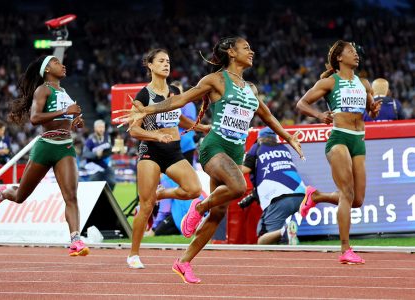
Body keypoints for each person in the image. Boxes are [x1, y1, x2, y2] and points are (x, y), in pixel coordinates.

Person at [115, 37, 303, 283]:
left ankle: (183, 263)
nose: (252, 51)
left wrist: (288, 137)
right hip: (214, 147)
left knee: (218, 214)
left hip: (235, 151)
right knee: (238, 187)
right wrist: (147, 110)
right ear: (231, 52)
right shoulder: (215, 80)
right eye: (246, 48)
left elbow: (267, 115)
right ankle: (197, 207)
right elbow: (181, 101)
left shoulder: (251, 88)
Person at [0, 55, 89, 256]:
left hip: (65, 146)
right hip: (45, 146)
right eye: (57, 62)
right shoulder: (43, 90)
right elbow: (34, 118)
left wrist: (75, 122)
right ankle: (4, 193)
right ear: (47, 69)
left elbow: (68, 118)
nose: (63, 65)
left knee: (71, 196)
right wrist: (65, 111)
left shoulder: (65, 92)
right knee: (20, 196)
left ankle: (75, 240)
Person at [296, 40, 381, 264]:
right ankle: (345, 250)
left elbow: (370, 112)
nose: (356, 55)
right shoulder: (330, 82)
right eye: (351, 52)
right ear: (339, 58)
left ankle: (316, 196)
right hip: (339, 138)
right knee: (346, 192)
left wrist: (373, 109)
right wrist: (319, 116)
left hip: (358, 141)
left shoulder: (364, 84)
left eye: (356, 52)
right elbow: (302, 104)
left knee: (357, 200)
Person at [125, 48, 208, 269]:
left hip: (173, 152)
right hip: (150, 152)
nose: (166, 64)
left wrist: (202, 127)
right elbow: (133, 130)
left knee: (193, 189)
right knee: (146, 206)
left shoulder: (173, 91)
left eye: (168, 61)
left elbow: (179, 118)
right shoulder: (144, 95)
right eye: (161, 61)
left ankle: (161, 193)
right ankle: (133, 254)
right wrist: (155, 135)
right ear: (150, 65)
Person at [241, 127, 338, 245]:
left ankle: (284, 231)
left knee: (263, 240)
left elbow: (245, 169)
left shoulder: (256, 147)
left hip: (278, 198)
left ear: (259, 138)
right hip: (301, 195)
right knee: (282, 237)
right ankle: (286, 233)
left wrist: (227, 166)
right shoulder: (284, 148)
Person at [83, 119, 117, 190]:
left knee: (112, 183)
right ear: (95, 128)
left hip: (105, 165)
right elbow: (85, 154)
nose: (102, 129)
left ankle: (107, 199)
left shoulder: (107, 138)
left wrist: (116, 150)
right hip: (94, 167)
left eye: (103, 127)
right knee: (95, 188)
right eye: (99, 127)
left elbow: (109, 151)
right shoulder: (90, 139)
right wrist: (96, 154)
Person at [171, 80, 198, 165]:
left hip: (186, 145)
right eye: (173, 91)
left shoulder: (188, 104)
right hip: (171, 144)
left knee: (186, 174)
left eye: (179, 91)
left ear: (182, 91)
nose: (176, 93)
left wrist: (172, 118)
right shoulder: (167, 105)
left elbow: (189, 124)